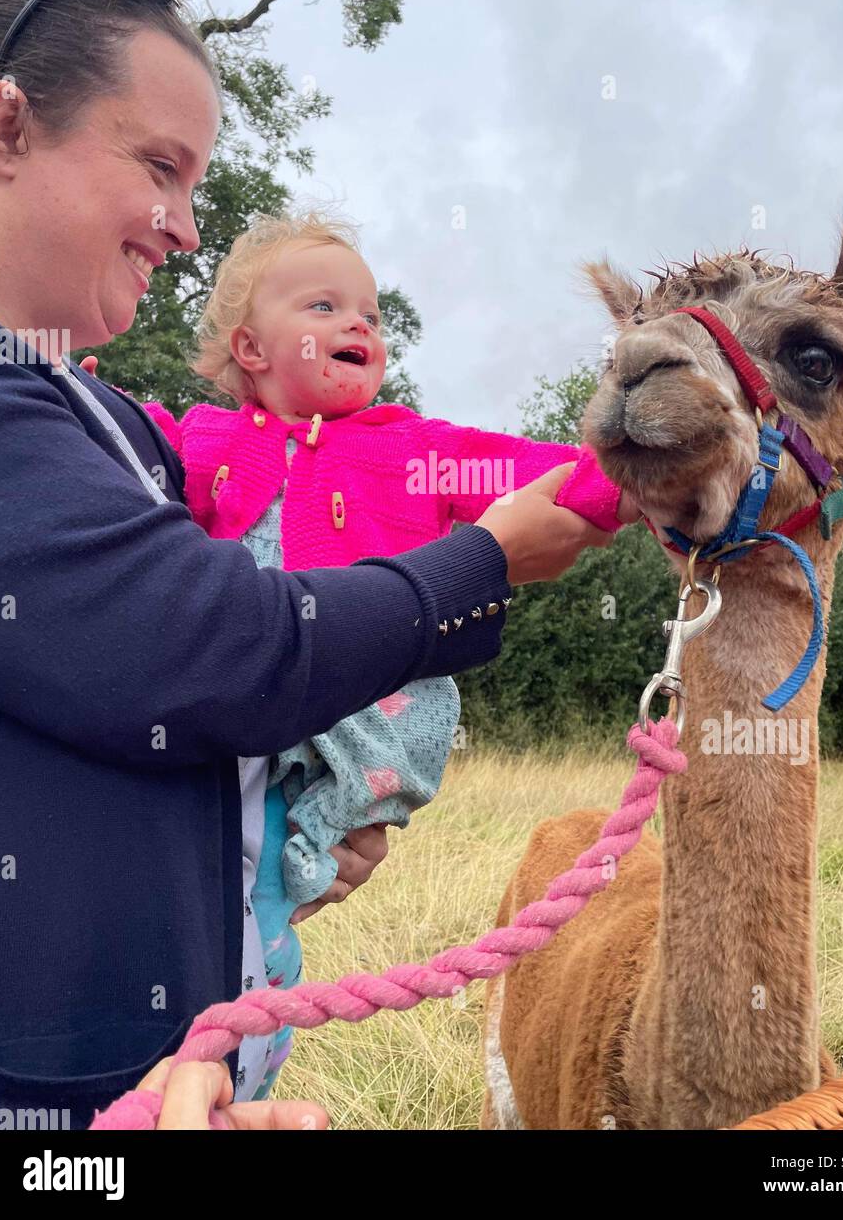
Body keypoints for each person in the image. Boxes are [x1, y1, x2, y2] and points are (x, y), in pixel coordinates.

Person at [0, 0, 636, 1129]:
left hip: (150, 1088)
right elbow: (222, 649)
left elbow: (121, 711)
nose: (183, 227)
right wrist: (484, 561)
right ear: (6, 126)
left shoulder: (107, 419)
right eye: (160, 167)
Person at [138, 210, 627, 1098]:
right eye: (324, 305)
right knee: (227, 882)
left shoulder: (412, 452)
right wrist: (81, 401)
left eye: (369, 311)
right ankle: (237, 1030)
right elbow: (123, 463)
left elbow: (528, 472)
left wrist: (637, 471)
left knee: (278, 868)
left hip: (366, 715)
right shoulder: (203, 440)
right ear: (250, 347)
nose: (360, 323)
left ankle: (243, 1015)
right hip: (242, 702)